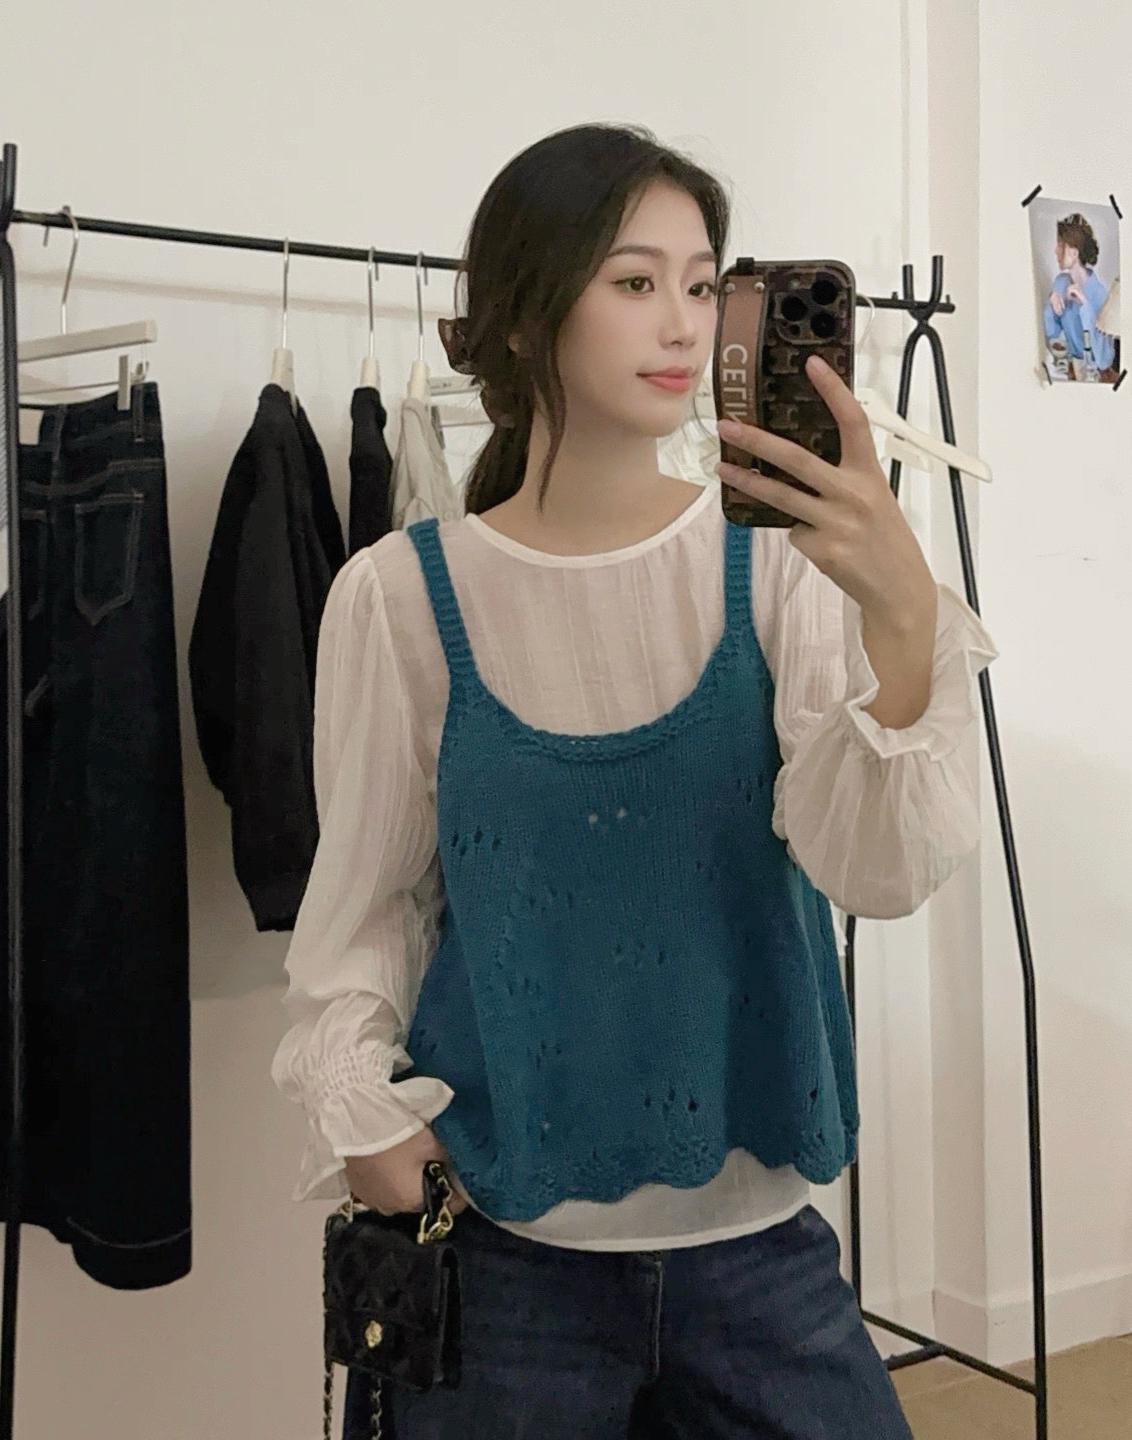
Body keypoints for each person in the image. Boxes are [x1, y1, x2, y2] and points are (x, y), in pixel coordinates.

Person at [271, 122, 999, 1439]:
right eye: (634, 280)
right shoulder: (399, 600)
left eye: (703, 282)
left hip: (760, 1258)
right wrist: (363, 1120)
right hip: (500, 1258)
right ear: (528, 312)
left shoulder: (777, 568)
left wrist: (900, 621)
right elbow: (368, 906)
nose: (683, 321)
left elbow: (874, 873)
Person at [1044, 211, 1117, 377]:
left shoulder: (1100, 294)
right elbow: (1053, 335)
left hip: (1093, 377)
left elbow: (1104, 360)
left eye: (1060, 244)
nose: (1055, 251)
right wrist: (1051, 301)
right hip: (1066, 370)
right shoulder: (1060, 282)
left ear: (1074, 252)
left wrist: (1085, 305)